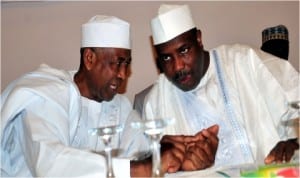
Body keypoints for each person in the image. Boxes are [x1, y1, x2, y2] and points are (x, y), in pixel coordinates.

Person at [1, 14, 219, 177]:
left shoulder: (119, 107)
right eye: (116, 63)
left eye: (127, 64)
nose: (123, 74)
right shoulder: (46, 95)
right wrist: (141, 169)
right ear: (89, 59)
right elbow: (50, 163)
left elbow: (141, 149)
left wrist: (177, 152)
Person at [142, 4, 299, 171]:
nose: (178, 66)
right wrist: (183, 166)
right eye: (166, 58)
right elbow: (152, 167)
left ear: (199, 39)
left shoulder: (245, 61)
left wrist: (294, 143)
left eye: (184, 50)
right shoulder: (156, 102)